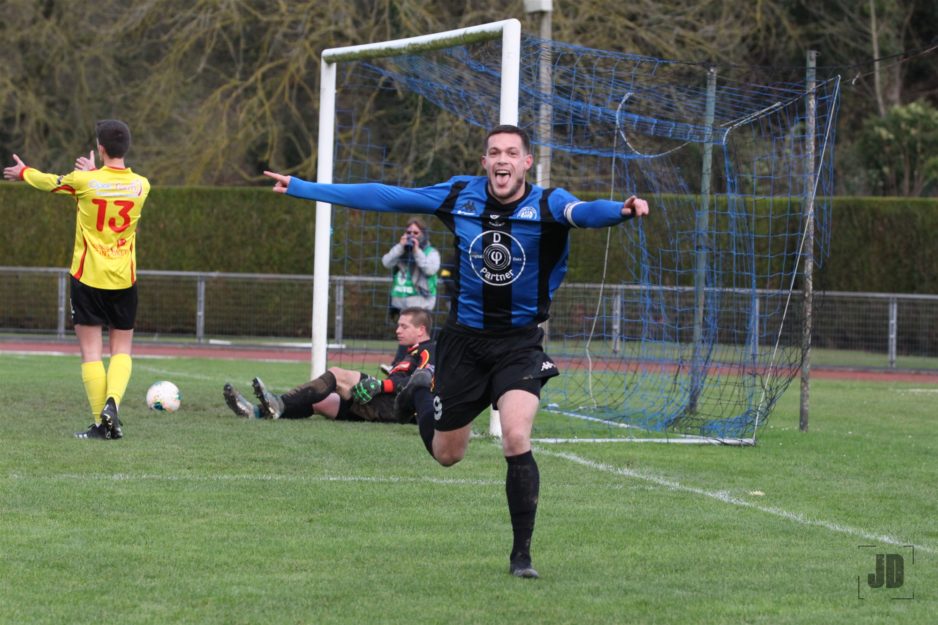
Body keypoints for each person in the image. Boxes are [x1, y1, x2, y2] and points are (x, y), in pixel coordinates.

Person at [264, 124, 649, 579]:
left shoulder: (549, 204)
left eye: (512, 153)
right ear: (484, 162)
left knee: (516, 436)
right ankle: (418, 393)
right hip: (464, 344)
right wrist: (304, 187)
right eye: (494, 152)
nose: (502, 160)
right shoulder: (459, 195)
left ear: (527, 162)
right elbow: (387, 196)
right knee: (448, 454)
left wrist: (621, 210)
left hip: (519, 344)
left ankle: (521, 557)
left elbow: (586, 212)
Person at [3, 120, 150, 440]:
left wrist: (24, 171)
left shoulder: (84, 182)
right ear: (126, 148)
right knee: (122, 349)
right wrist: (96, 173)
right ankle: (113, 404)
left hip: (88, 278)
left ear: (100, 148)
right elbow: (113, 188)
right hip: (124, 279)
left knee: (91, 352)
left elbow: (50, 182)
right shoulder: (142, 185)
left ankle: (102, 423)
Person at [223, 307, 434, 423]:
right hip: (387, 405)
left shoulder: (429, 350)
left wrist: (381, 385)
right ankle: (256, 412)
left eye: (404, 326)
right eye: (398, 325)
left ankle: (278, 402)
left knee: (337, 374)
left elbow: (422, 381)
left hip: (400, 409)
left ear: (421, 330)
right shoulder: (411, 352)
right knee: (321, 402)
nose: (397, 330)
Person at [382, 217, 441, 320]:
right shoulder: (401, 250)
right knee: (402, 329)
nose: (412, 235)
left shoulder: (431, 252)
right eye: (408, 232)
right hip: (400, 303)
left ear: (423, 234)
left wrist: (416, 251)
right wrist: (400, 247)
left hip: (421, 304)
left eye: (416, 233)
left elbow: (430, 270)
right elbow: (386, 262)